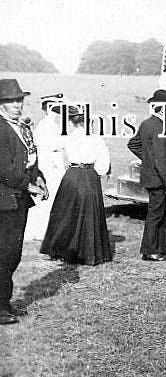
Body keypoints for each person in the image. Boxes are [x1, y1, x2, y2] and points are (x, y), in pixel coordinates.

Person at [0, 79, 48, 325]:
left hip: (18, 200)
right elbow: (5, 170)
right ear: (1, 104)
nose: (17, 105)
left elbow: (30, 158)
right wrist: (29, 185)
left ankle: (5, 303)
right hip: (4, 200)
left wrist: (39, 178)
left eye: (19, 100)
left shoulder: (21, 127)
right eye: (11, 101)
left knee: (13, 253)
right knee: (5, 253)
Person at [40, 106, 113, 265]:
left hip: (72, 175)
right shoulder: (96, 138)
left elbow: (51, 147)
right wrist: (98, 173)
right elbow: (103, 163)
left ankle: (61, 249)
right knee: (88, 212)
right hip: (89, 175)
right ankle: (88, 252)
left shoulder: (66, 136)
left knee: (65, 213)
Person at [127, 89, 166, 262]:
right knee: (156, 214)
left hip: (150, 176)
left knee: (158, 212)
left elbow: (133, 144)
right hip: (158, 178)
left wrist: (147, 158)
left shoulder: (147, 123)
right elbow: (161, 159)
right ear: (163, 109)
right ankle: (150, 251)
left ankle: (157, 248)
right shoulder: (161, 127)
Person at [25, 94, 67, 241]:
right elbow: (46, 149)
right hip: (48, 166)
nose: (59, 113)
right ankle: (41, 230)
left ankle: (47, 229)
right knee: (46, 197)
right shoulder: (47, 125)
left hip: (54, 164)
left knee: (53, 197)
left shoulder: (54, 124)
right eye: (57, 110)